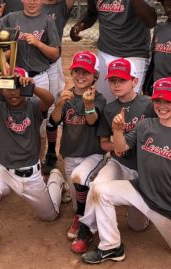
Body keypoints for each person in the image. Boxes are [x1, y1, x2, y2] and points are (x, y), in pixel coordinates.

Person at [79, 78, 171, 264]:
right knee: (99, 190)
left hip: (168, 206)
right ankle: (111, 247)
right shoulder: (145, 125)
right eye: (158, 100)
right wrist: (117, 130)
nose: (162, 106)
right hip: (142, 191)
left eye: (168, 101)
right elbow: (120, 149)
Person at [0, 68, 65, 255]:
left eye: (17, 86)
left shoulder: (32, 106)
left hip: (31, 175)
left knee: (49, 216)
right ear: (2, 89)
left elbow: (49, 101)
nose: (13, 93)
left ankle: (56, 179)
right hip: (5, 171)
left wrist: (33, 86)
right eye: (8, 87)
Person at [71, 58, 155, 254]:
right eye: (113, 80)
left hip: (142, 169)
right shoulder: (109, 108)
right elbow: (103, 144)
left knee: (137, 226)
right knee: (97, 185)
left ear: (134, 81)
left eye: (122, 80)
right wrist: (116, 147)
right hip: (119, 163)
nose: (116, 85)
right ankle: (88, 230)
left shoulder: (149, 105)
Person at [48, 51, 106, 241]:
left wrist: (88, 104)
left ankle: (82, 220)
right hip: (71, 153)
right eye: (77, 71)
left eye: (86, 73)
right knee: (77, 197)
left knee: (80, 179)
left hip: (92, 154)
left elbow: (92, 121)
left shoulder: (99, 98)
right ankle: (63, 187)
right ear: (71, 73)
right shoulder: (65, 96)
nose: (80, 76)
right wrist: (59, 105)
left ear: (95, 77)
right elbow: (54, 122)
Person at [40, 0, 79, 175]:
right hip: (34, 63)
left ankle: (52, 151)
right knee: (38, 109)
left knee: (54, 107)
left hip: (53, 64)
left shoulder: (60, 8)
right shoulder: (32, 4)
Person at [0, 0, 60, 90]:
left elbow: (55, 54)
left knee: (41, 107)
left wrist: (38, 43)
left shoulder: (48, 21)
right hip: (15, 74)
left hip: (39, 77)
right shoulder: (10, 19)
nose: (32, 2)